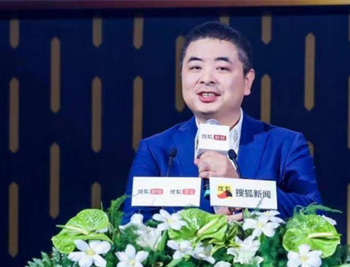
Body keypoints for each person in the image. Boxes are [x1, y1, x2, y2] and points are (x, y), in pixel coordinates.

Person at [123, 21, 321, 222]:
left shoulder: (285, 145)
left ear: (247, 81)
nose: (206, 78)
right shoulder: (156, 150)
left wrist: (239, 188)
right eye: (195, 67)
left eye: (222, 68)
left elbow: (316, 215)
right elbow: (132, 229)